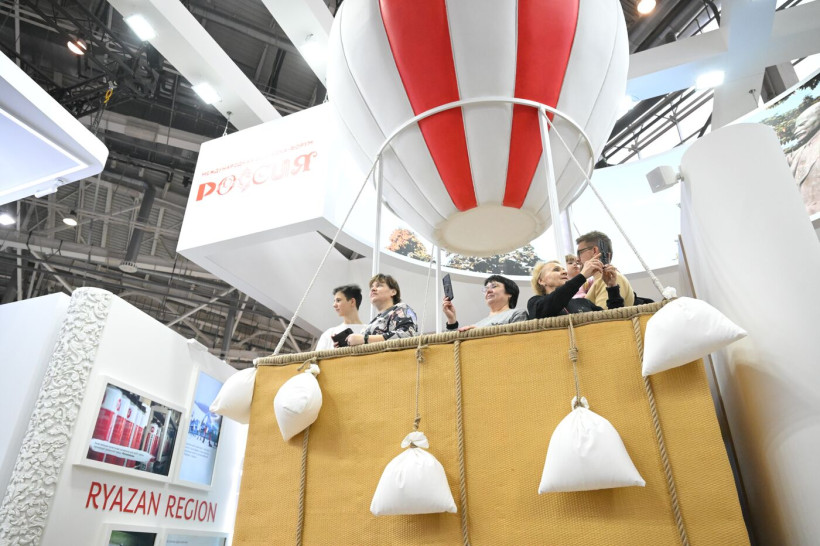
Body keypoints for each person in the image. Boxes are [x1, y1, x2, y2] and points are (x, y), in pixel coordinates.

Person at [527, 258, 624, 318]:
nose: (564, 272)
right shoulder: (535, 302)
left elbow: (615, 319)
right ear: (541, 281)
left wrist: (612, 287)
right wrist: (582, 276)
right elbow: (550, 305)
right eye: (556, 270)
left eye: (564, 269)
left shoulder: (584, 302)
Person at [347, 274, 418, 346]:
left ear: (393, 292)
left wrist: (365, 339)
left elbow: (409, 334)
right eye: (372, 287)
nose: (373, 289)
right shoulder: (373, 322)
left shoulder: (401, 309)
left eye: (379, 286)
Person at [442, 275, 528, 332]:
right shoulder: (476, 325)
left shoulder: (517, 314)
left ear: (510, 293)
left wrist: (480, 332)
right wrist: (451, 320)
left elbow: (518, 342)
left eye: (494, 286)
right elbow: (453, 345)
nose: (488, 291)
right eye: (486, 289)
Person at [575, 231, 635, 308]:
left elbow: (605, 314)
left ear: (594, 251)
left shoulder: (608, 280)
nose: (577, 259)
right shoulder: (600, 282)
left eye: (579, 253)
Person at [786, 101, 820, 215]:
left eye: (802, 124)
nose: (796, 131)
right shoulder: (796, 154)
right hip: (805, 217)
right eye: (796, 127)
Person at [315, 284, 364, 350]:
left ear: (352, 302)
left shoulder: (370, 332)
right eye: (334, 301)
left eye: (338, 300)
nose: (334, 305)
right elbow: (317, 356)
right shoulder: (328, 334)